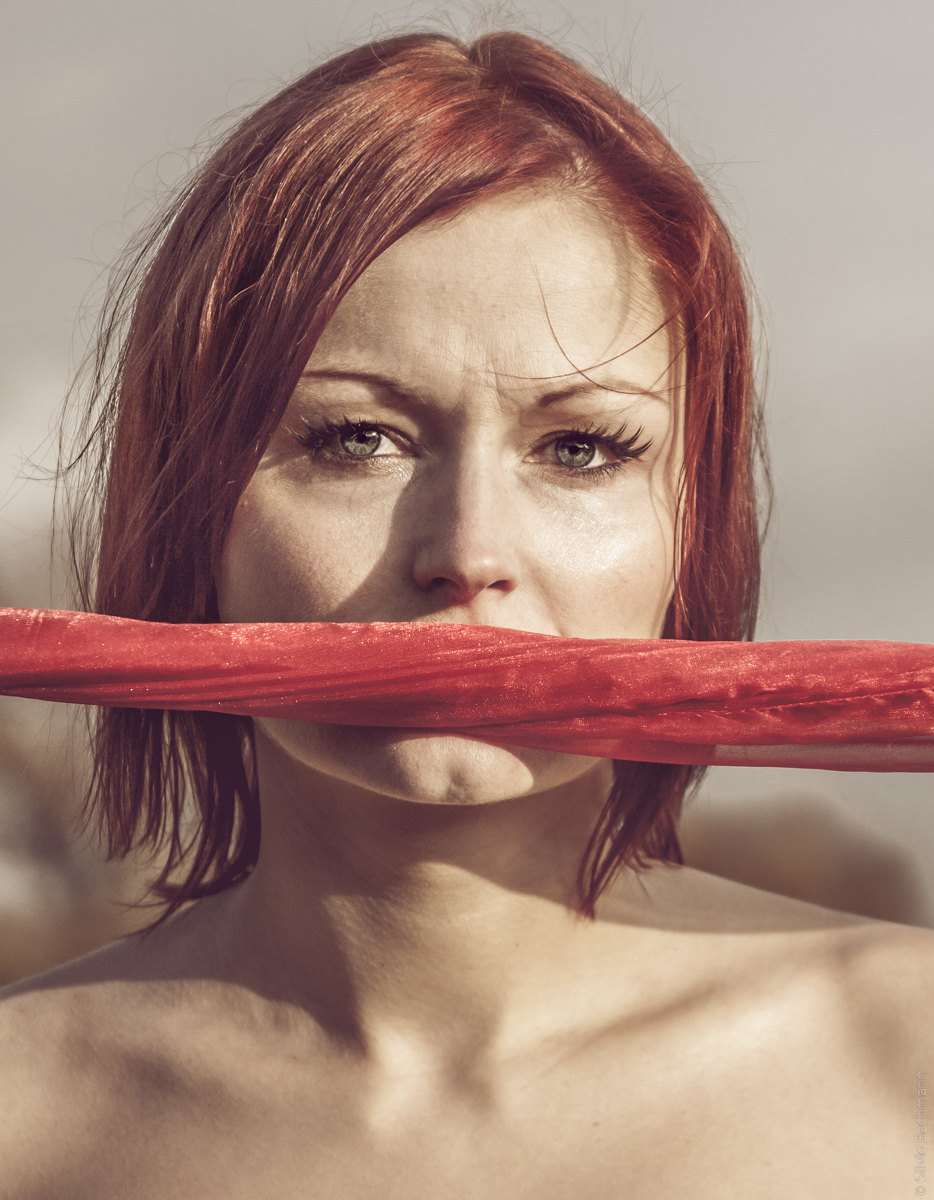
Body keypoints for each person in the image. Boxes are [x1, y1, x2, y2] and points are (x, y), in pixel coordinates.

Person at [0, 30, 929, 1198]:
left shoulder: (908, 1064)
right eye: (356, 439)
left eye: (581, 449)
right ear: (189, 503)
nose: (467, 555)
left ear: (691, 525)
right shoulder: (24, 1116)